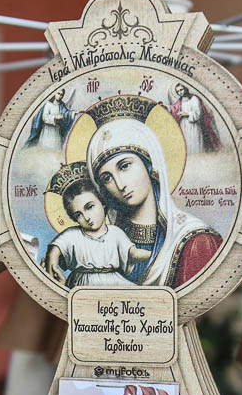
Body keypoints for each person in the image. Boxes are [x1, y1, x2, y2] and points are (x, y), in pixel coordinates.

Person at [86, 108, 222, 287]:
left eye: (125, 166)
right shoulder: (105, 246)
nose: (120, 184)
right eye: (107, 178)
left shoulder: (197, 243)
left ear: (150, 165)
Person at [41, 179, 150, 288]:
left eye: (89, 207)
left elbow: (133, 253)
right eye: (78, 215)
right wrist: (52, 280)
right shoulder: (72, 234)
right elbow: (53, 252)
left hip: (113, 281)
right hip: (82, 284)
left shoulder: (115, 232)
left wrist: (157, 255)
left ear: (102, 203)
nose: (86, 217)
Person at [169, 83, 220, 154]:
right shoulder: (179, 101)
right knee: (186, 144)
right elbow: (174, 109)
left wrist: (187, 114)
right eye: (178, 91)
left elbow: (198, 113)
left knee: (195, 143)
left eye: (181, 90)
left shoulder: (194, 99)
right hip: (183, 126)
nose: (180, 92)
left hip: (194, 125)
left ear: (185, 88)